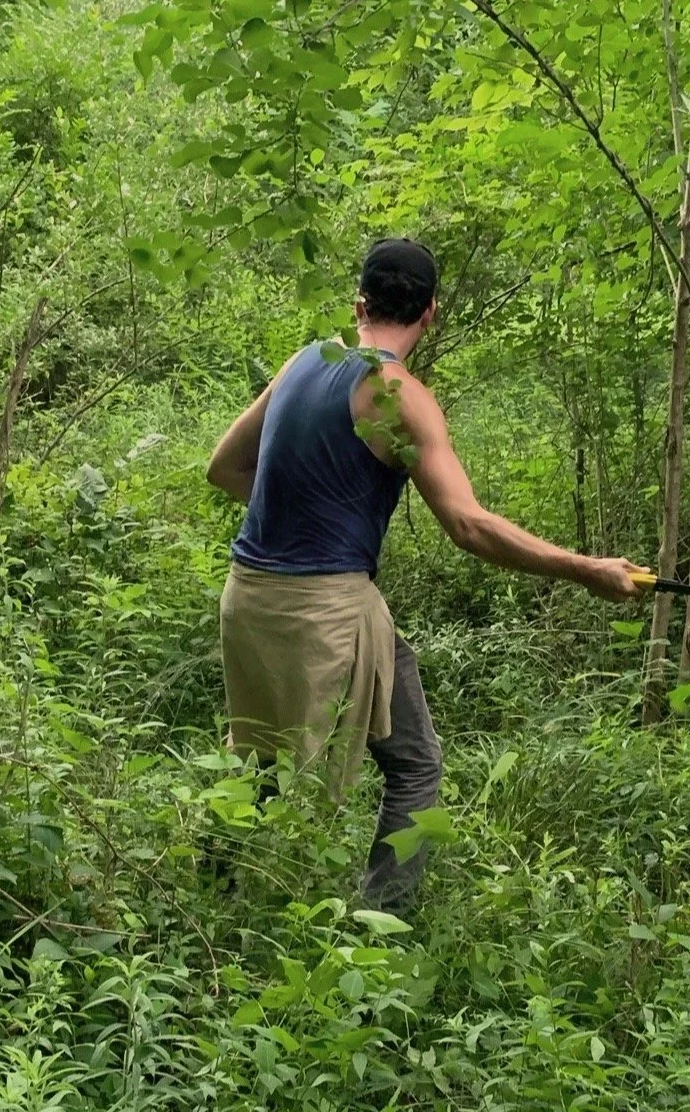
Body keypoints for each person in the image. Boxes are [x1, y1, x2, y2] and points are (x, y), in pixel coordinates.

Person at [205, 237, 645, 912]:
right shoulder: (399, 396)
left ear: (359, 302)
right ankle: (380, 930)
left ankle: (209, 903)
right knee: (414, 766)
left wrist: (302, 515)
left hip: (247, 596)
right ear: (431, 313)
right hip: (327, 609)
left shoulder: (303, 362)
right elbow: (467, 525)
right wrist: (585, 569)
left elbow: (224, 469)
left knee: (257, 760)